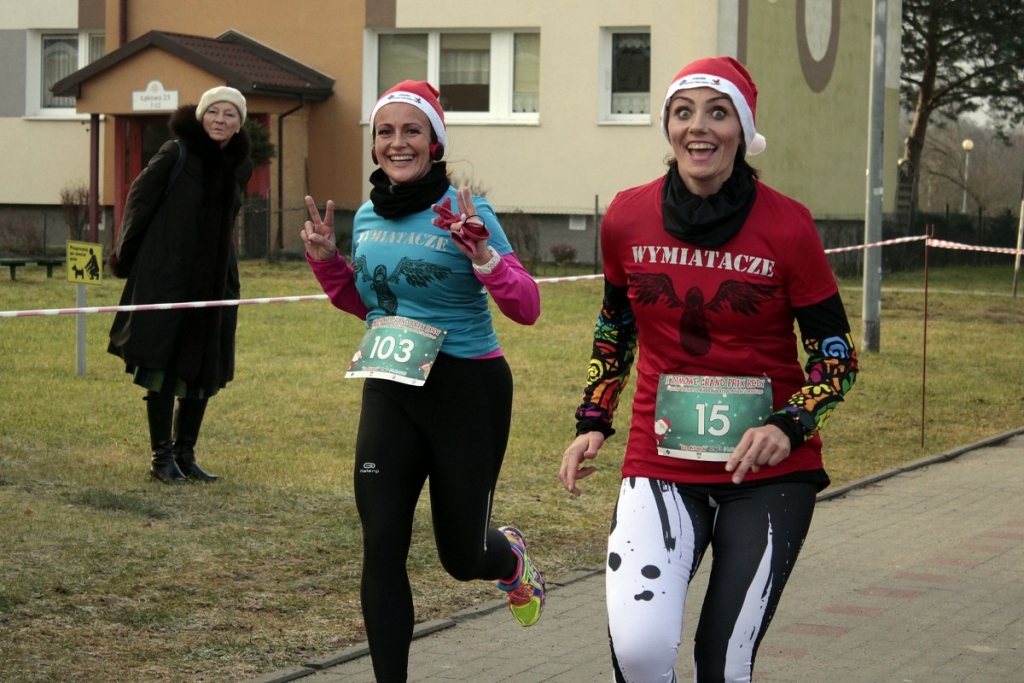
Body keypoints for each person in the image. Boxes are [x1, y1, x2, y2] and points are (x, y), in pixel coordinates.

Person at [559, 57, 859, 683]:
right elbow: (616, 327)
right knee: (639, 653)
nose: (698, 127)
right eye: (683, 112)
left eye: (717, 113)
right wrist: (593, 417)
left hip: (768, 473)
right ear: (668, 126)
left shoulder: (789, 225)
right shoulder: (626, 217)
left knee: (722, 663)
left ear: (742, 131)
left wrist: (790, 424)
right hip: (662, 462)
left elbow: (836, 356)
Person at [301, 80, 545, 682]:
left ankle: (509, 558)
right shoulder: (366, 215)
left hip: (467, 391)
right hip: (391, 386)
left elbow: (527, 306)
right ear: (374, 145)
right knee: (382, 544)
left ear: (435, 143)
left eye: (412, 130)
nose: (397, 142)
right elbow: (371, 305)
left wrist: (483, 257)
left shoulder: (466, 211)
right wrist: (328, 262)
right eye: (385, 131)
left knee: (462, 557)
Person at [107, 86, 253, 484]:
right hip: (168, 275)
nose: (220, 120)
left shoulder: (240, 165)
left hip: (216, 279)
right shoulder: (176, 153)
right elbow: (139, 201)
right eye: (214, 112)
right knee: (163, 362)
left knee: (206, 363)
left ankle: (186, 454)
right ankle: (162, 458)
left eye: (230, 114)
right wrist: (127, 255)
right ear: (201, 116)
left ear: (239, 124)